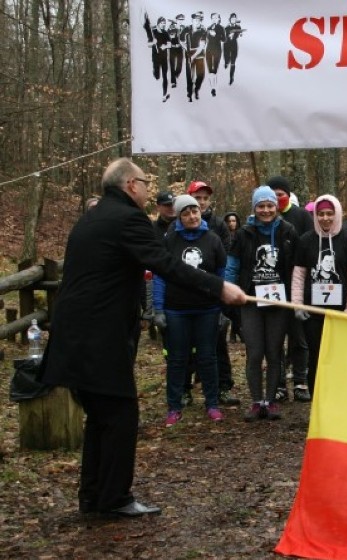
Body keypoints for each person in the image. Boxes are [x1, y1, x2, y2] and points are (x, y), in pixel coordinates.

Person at [39, 158, 245, 518]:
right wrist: (219, 287)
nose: (149, 191)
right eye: (145, 184)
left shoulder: (92, 218)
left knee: (102, 416)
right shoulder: (127, 218)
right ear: (131, 185)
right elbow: (165, 263)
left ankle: (93, 497)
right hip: (98, 336)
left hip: (76, 333)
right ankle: (114, 498)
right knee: (120, 414)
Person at [225, 186, 299, 421]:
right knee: (255, 352)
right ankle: (257, 401)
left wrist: (295, 298)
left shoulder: (288, 231)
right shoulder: (243, 233)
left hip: (278, 301)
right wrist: (229, 288)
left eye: (269, 206)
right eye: (261, 206)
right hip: (251, 300)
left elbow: (297, 267)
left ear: (276, 207)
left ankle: (271, 400)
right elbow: (232, 265)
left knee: (274, 351)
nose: (266, 210)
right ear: (254, 208)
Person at [153, 195, 227, 426]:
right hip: (176, 309)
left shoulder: (213, 239)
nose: (192, 216)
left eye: (194, 211)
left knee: (207, 357)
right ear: (179, 217)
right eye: (185, 213)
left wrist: (223, 308)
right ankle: (174, 406)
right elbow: (159, 275)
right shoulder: (170, 240)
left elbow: (222, 274)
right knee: (177, 359)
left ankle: (212, 404)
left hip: (207, 308)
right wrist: (158, 309)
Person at [291, 195, 347, 394]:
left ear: (337, 214)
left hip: (341, 310)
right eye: (321, 214)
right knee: (316, 356)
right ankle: (317, 401)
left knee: (340, 356)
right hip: (312, 311)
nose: (325, 218)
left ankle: (339, 398)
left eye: (329, 213)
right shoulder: (306, 240)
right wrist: (297, 304)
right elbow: (298, 275)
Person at [187, 181, 238, 406]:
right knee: (186, 346)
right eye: (197, 198)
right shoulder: (179, 225)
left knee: (218, 343)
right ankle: (185, 389)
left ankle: (224, 387)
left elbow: (225, 258)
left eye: (205, 198)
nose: (202, 202)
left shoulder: (219, 225)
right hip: (186, 293)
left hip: (214, 293)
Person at [267, 175, 312, 402]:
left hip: (297, 285)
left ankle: (301, 382)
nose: (276, 199)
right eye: (272, 195)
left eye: (280, 194)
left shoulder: (302, 216)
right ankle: (279, 384)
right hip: (271, 287)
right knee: (276, 338)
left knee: (299, 337)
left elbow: (308, 248)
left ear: (288, 195)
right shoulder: (262, 216)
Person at [205, 13, 224, 97]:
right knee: (210, 71)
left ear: (219, 19)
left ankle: (214, 88)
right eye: (212, 18)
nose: (214, 19)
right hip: (208, 50)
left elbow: (224, 39)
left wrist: (216, 35)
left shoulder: (221, 28)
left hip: (217, 50)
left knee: (214, 70)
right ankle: (211, 88)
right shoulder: (208, 28)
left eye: (216, 18)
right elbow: (206, 39)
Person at [223, 13, 244, 85]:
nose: (234, 20)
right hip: (226, 45)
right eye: (232, 19)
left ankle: (231, 77)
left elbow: (240, 34)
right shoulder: (226, 28)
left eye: (235, 19)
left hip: (234, 45)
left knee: (233, 62)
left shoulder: (238, 27)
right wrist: (229, 35)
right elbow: (223, 37)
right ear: (230, 20)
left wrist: (239, 34)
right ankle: (226, 62)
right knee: (227, 59)